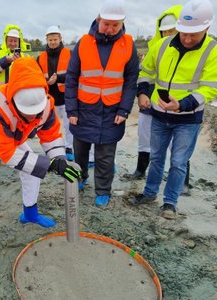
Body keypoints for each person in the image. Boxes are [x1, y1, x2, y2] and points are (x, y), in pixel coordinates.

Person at [0, 57, 81, 263]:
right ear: (14, 98)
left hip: (9, 137)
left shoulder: (46, 105)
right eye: (27, 113)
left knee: (32, 171)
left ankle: (30, 213)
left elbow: (51, 135)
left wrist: (58, 158)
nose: (33, 118)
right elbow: (7, 153)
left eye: (36, 113)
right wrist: (47, 165)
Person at [129, 0, 217, 219]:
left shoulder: (213, 51)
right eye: (184, 33)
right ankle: (149, 194)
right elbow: (146, 72)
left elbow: (210, 88)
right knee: (157, 157)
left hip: (188, 119)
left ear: (206, 28)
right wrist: (142, 93)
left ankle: (169, 203)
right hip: (159, 116)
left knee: (178, 162)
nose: (187, 39)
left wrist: (183, 104)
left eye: (193, 34)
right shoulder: (161, 45)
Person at [65, 0, 139, 207]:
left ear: (122, 23)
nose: (110, 29)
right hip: (84, 108)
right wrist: (72, 109)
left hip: (112, 110)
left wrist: (124, 109)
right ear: (98, 20)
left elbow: (131, 80)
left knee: (105, 155)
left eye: (116, 25)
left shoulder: (128, 44)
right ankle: (80, 178)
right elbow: (71, 77)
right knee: (80, 149)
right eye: (106, 24)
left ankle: (103, 190)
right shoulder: (84, 42)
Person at [127, 5, 183, 180]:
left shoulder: (186, 51)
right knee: (144, 137)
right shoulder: (154, 49)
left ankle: (183, 181)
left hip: (177, 105)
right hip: (150, 102)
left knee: (177, 145)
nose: (168, 35)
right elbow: (145, 74)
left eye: (172, 31)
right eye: (165, 32)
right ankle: (140, 170)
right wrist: (142, 94)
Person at [0, 24, 31, 168]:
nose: (12, 43)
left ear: (19, 42)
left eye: (15, 41)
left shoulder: (25, 57)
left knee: (15, 125)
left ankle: (12, 151)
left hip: (16, 97)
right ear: (5, 40)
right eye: (10, 40)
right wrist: (7, 60)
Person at [37, 25, 74, 161]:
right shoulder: (40, 57)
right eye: (50, 40)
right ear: (46, 40)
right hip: (49, 98)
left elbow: (74, 74)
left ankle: (69, 147)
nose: (53, 42)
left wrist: (58, 78)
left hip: (66, 97)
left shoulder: (69, 54)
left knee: (69, 125)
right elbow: (37, 75)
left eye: (55, 39)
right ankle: (52, 150)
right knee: (51, 127)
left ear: (60, 39)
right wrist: (47, 81)